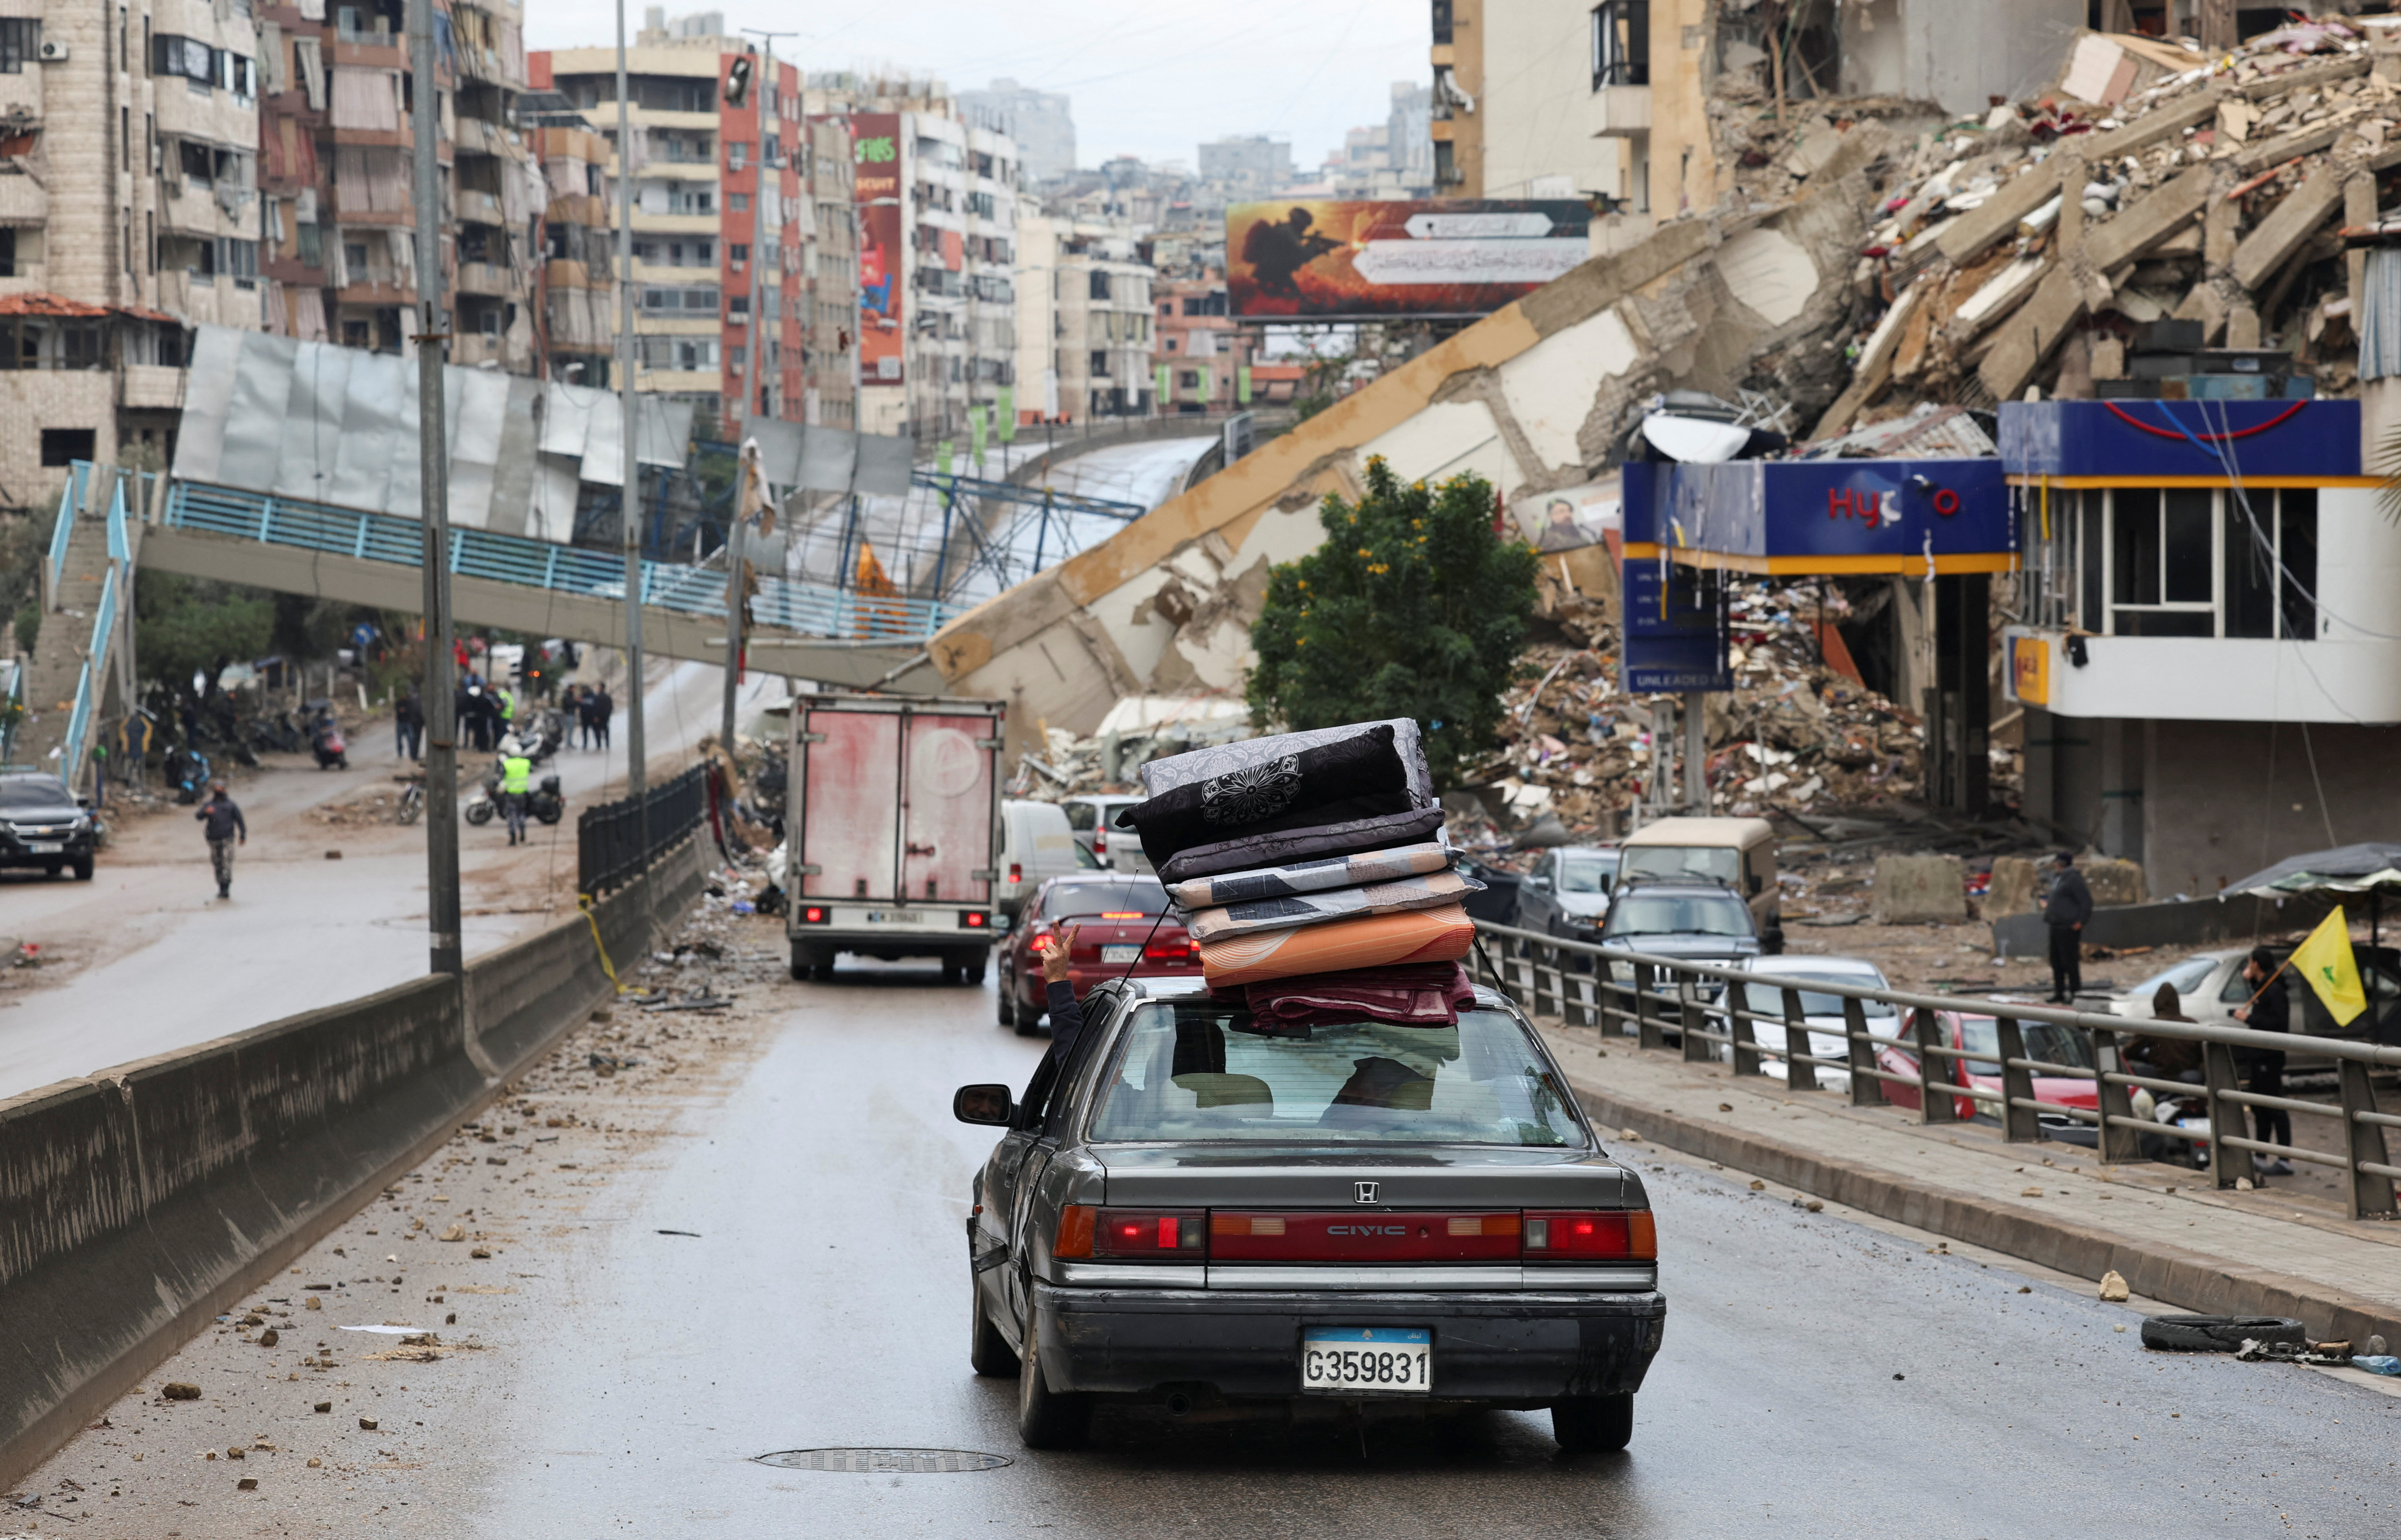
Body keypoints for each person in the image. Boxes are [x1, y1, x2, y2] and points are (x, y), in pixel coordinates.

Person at [2233, 946, 2294, 1176]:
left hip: (2269, 1057)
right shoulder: (2264, 988)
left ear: (2256, 964)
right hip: (2259, 1056)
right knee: (2260, 1107)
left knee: (2275, 1106)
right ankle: (2260, 1155)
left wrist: (2248, 1019)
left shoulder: (2275, 990)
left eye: (2250, 963)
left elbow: (2277, 1024)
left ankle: (2285, 1159)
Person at [2043, 852, 2092, 1003]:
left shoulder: (2074, 879)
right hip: (2056, 924)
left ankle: (2075, 992)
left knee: (2069, 961)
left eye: (2057, 863)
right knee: (2056, 961)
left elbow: (2086, 902)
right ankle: (2059, 992)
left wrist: (2081, 921)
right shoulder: (2058, 878)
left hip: (2068, 926)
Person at [194, 778, 247, 900]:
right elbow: (198, 816)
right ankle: (220, 886)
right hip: (213, 839)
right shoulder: (209, 805)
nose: (219, 791)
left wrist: (243, 835)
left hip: (227, 838)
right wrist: (205, 812)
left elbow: (240, 821)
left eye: (221, 789)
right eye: (217, 789)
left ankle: (226, 888)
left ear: (225, 790)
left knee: (226, 862)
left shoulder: (231, 806)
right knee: (217, 863)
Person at [500, 750, 533, 846]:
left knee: (512, 816)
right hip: (522, 794)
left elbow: (501, 776)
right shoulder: (526, 763)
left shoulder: (507, 764)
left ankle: (513, 838)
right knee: (522, 814)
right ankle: (522, 834)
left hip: (511, 795)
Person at [396, 688, 425, 763]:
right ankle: (404, 754)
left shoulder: (409, 701)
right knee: (404, 740)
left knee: (411, 740)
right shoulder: (401, 702)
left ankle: (412, 754)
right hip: (405, 723)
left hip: (409, 722)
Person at [593, 685, 614, 750]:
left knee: (598, 731)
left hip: (599, 717)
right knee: (606, 730)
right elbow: (611, 707)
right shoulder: (607, 697)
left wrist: (596, 716)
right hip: (605, 717)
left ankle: (599, 745)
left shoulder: (597, 697)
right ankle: (607, 744)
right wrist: (608, 715)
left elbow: (595, 708)